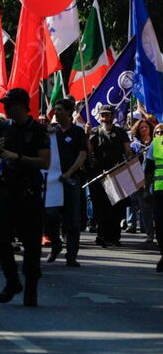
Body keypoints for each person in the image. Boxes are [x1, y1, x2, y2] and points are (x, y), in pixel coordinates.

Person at [0, 88, 51, 306]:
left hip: (29, 191)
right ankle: (12, 280)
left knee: (32, 243)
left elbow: (45, 162)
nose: (5, 108)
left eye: (9, 104)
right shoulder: (2, 128)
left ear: (21, 106)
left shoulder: (38, 130)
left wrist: (19, 157)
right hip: (6, 190)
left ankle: (31, 289)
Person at [45, 99, 88, 266]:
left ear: (69, 113)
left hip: (71, 180)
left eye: (60, 109)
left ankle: (71, 255)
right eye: (55, 109)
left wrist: (69, 172)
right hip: (53, 182)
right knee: (50, 215)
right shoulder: (52, 132)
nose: (56, 112)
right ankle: (55, 244)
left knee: (72, 219)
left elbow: (82, 154)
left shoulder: (78, 132)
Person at [88, 104, 134, 247]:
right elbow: (88, 151)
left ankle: (115, 236)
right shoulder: (94, 132)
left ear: (112, 116)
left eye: (107, 114)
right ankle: (102, 235)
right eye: (102, 115)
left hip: (117, 173)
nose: (105, 117)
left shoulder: (120, 132)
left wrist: (131, 160)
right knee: (100, 206)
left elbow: (128, 151)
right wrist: (87, 135)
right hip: (99, 175)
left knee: (117, 206)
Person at [146, 124, 163, 272]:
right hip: (160, 192)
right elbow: (149, 169)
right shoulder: (156, 143)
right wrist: (146, 189)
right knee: (160, 226)